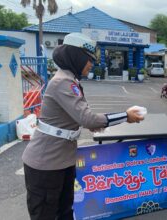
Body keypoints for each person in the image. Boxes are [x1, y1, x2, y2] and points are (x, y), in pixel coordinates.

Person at [22, 33, 144, 220]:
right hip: (46, 165)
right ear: (77, 57)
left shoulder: (70, 80)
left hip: (62, 161)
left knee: (65, 212)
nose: (91, 64)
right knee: (45, 215)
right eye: (88, 59)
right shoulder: (63, 82)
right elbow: (88, 120)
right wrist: (125, 116)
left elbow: (82, 120)